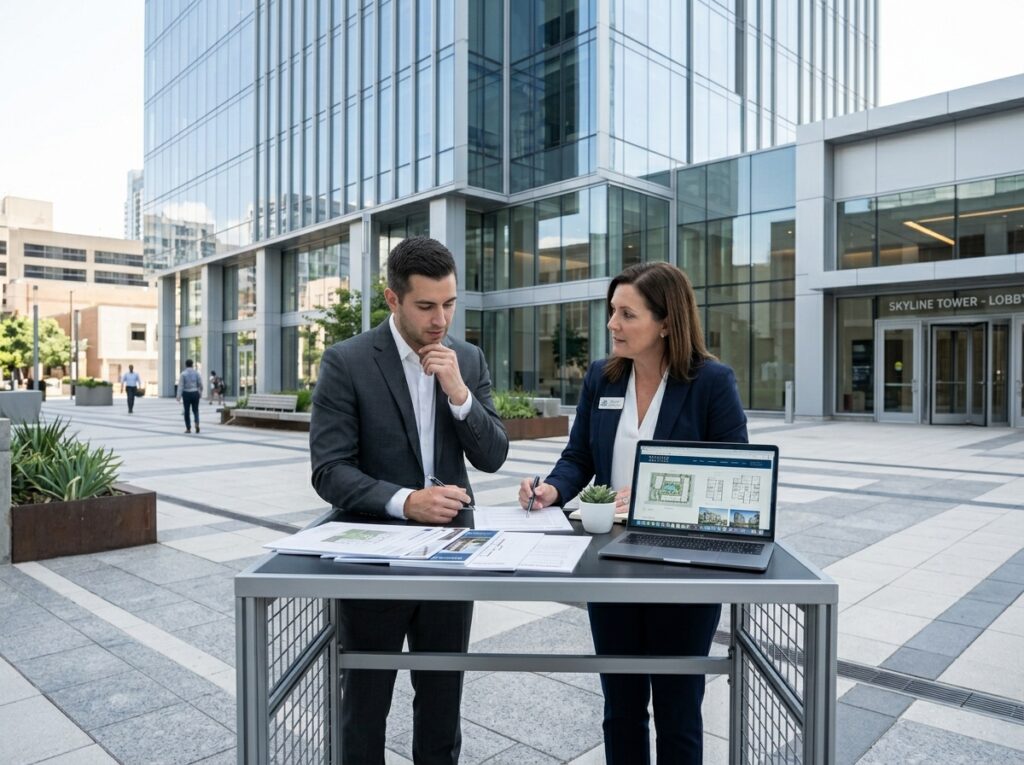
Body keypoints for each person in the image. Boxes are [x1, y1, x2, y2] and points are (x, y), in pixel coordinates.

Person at [517, 262, 747, 765]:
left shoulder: (711, 383)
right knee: (620, 704)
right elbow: (579, 456)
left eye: (627, 314)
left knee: (677, 705)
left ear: (666, 322)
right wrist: (552, 491)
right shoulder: (603, 377)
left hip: (683, 568)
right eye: (611, 312)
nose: (612, 325)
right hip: (613, 563)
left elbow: (732, 478)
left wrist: (648, 502)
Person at [310, 236, 509, 765]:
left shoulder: (466, 357)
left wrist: (459, 394)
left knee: (443, 700)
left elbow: (493, 456)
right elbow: (330, 470)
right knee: (366, 702)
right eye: (426, 306)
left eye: (449, 304)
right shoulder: (346, 362)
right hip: (374, 557)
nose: (440, 319)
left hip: (451, 553)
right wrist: (405, 501)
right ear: (392, 299)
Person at [176, 359, 204, 433]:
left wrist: (178, 396)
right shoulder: (196, 373)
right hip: (195, 393)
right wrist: (200, 392)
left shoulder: (183, 374)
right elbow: (200, 384)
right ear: (192, 364)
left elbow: (181, 386)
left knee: (187, 411)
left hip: (186, 394)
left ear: (186, 365)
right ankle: (197, 423)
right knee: (196, 410)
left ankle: (188, 428)